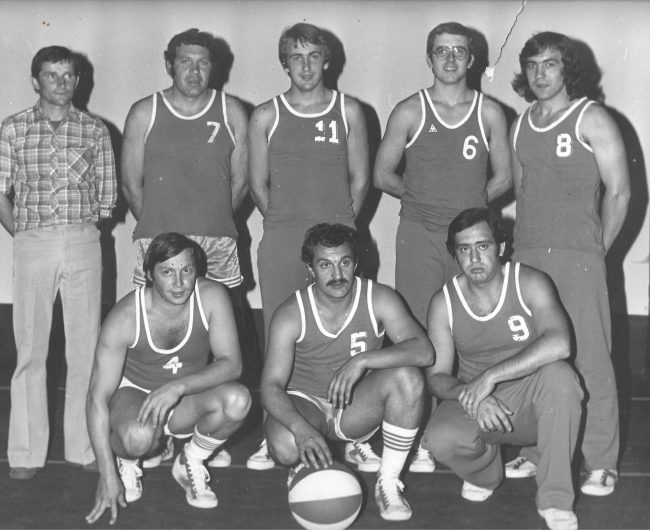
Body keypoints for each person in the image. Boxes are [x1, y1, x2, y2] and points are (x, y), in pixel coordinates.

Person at [509, 31, 630, 496]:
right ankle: (537, 450)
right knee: (535, 355)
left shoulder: (591, 117)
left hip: (579, 257)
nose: (540, 74)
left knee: (589, 356)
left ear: (567, 70)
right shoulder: (521, 124)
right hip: (529, 258)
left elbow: (620, 193)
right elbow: (523, 194)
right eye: (532, 65)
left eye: (550, 64)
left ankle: (600, 461)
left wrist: (597, 250)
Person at [122, 28, 249, 468]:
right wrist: (163, 234)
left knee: (218, 337)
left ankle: (205, 433)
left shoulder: (232, 111)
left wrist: (209, 222)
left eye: (202, 63)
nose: (194, 71)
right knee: (154, 331)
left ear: (214, 68)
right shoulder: (145, 111)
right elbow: (131, 184)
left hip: (216, 240)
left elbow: (240, 183)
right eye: (184, 62)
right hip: (159, 241)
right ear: (169, 64)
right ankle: (154, 430)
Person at [248, 22, 369, 470]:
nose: (305, 66)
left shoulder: (349, 110)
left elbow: (361, 180)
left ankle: (353, 432)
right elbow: (258, 185)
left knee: (348, 334)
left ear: (327, 61)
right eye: (296, 57)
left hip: (336, 240)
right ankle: (274, 430)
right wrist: (286, 223)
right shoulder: (265, 115)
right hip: (283, 238)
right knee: (278, 336)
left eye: (313, 56)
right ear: (285, 63)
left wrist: (341, 225)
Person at [422, 208, 583, 530]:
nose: (474, 258)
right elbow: (436, 377)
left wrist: (490, 377)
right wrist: (475, 395)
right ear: (455, 254)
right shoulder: (444, 302)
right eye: (464, 249)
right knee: (439, 438)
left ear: (501, 247)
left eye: (483, 245)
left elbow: (560, 343)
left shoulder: (529, 282)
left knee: (562, 378)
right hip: (478, 402)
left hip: (531, 398)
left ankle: (555, 499)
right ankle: (485, 474)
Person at [261, 223, 433, 521]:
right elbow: (270, 386)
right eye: (325, 265)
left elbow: (424, 352)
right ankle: (302, 466)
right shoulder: (291, 313)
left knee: (408, 377)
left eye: (345, 262)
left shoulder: (378, 297)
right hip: (307, 403)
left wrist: (363, 360)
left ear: (356, 263)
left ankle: (388, 482)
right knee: (287, 447)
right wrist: (300, 428)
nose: (337, 274)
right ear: (310, 268)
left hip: (355, 406)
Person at [0, 45, 117, 479]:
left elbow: (107, 197)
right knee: (31, 349)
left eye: (68, 75)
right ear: (35, 81)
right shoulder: (13, 128)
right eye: (52, 75)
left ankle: (84, 447)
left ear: (78, 81)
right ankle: (26, 454)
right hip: (32, 241)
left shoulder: (95, 130)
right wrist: (24, 233)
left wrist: (77, 232)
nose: (61, 83)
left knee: (86, 348)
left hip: (83, 238)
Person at [85, 233, 251, 525]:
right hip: (136, 396)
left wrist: (177, 387)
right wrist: (106, 473)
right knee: (138, 438)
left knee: (238, 400)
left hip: (185, 396)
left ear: (197, 271)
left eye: (186, 270)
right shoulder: (126, 316)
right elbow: (97, 398)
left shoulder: (211, 296)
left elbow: (232, 364)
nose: (179, 282)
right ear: (149, 275)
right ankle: (128, 461)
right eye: (167, 272)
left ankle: (190, 460)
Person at [374, 21, 511, 328]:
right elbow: (381, 175)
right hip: (419, 233)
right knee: (418, 323)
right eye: (441, 51)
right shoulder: (410, 111)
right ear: (429, 59)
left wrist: (470, 203)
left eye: (459, 51)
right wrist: (424, 199)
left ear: (471, 60)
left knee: (470, 320)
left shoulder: (489, 112)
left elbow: (505, 177)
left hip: (469, 235)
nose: (450, 59)